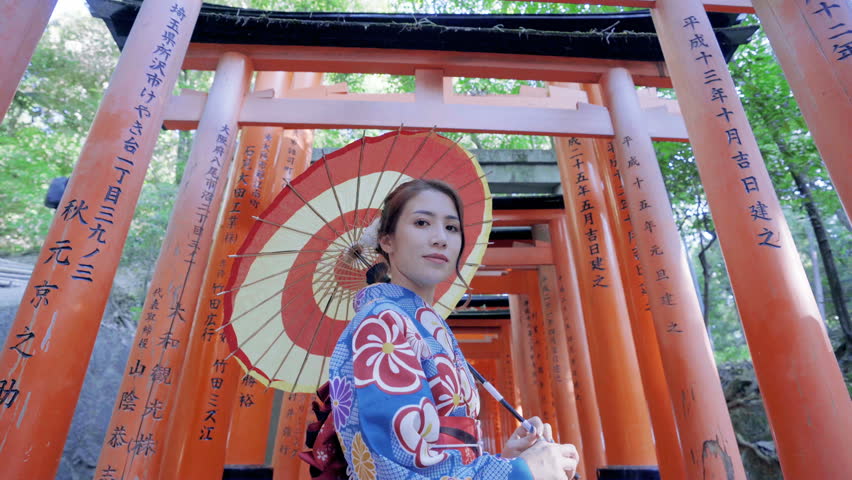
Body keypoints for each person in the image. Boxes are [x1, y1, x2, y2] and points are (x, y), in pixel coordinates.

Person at [324, 179, 579, 480]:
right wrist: (520, 472)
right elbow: (395, 467)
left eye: (451, 227)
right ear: (387, 240)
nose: (440, 238)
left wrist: (509, 458)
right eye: (422, 222)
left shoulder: (425, 325)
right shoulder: (381, 322)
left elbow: (448, 454)